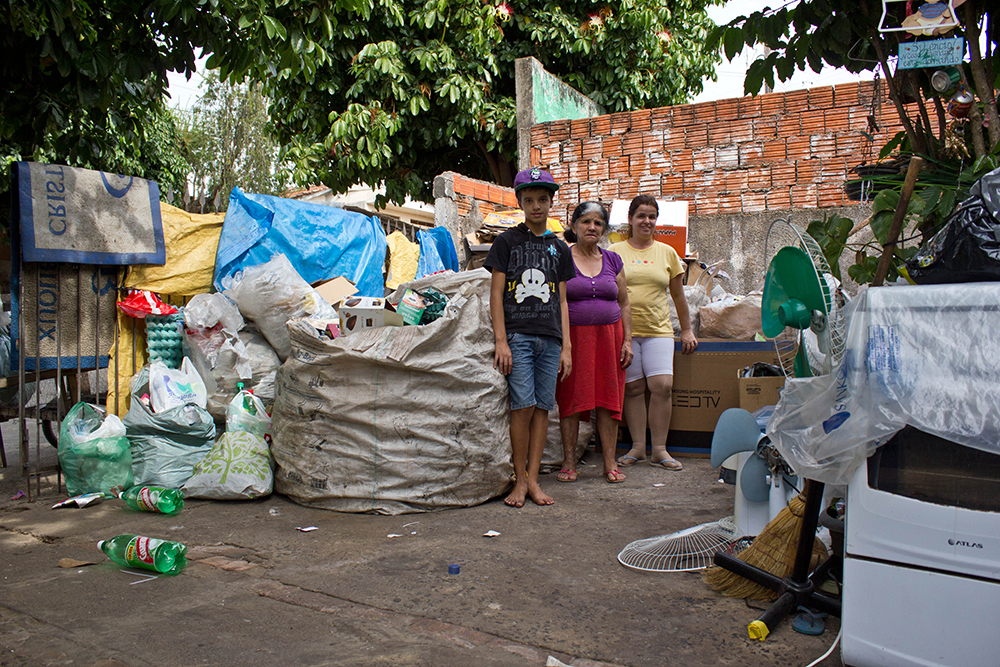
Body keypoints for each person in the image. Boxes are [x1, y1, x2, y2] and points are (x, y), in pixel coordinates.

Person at [484, 167, 575, 508]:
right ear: (520, 203)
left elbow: (563, 300)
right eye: (529, 200)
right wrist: (501, 340)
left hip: (550, 340)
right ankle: (519, 480)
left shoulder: (560, 249)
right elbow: (496, 295)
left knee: (541, 409)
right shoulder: (507, 242)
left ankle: (535, 480)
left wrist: (566, 346)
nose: (536, 206)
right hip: (518, 337)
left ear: (551, 202)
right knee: (521, 407)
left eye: (542, 199)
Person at [609, 195, 698, 471]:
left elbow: (679, 296)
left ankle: (659, 449)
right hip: (625, 332)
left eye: (651, 216)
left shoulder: (667, 253)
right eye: (641, 216)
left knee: (662, 386)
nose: (646, 221)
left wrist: (686, 330)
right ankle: (637, 447)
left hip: (659, 330)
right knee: (633, 389)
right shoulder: (615, 253)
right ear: (630, 220)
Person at [555, 201, 632, 484]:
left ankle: (610, 463)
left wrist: (628, 342)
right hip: (574, 338)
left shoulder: (613, 260)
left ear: (604, 229)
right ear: (574, 226)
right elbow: (560, 301)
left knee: (609, 399)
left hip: (610, 338)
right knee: (572, 398)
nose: (592, 227)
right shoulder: (564, 258)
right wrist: (565, 346)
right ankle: (568, 462)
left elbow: (624, 303)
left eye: (598, 223)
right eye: (586, 221)